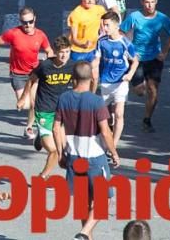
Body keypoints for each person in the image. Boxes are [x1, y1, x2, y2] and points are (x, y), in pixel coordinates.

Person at [53, 61, 120, 240]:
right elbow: (105, 132)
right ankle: (83, 234)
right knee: (103, 201)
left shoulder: (64, 98)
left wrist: (60, 153)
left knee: (83, 202)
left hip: (73, 157)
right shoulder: (97, 101)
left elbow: (56, 128)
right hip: (95, 158)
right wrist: (114, 153)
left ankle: (85, 237)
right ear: (92, 79)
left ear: (73, 78)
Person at [0, 7, 53, 137]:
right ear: (20, 21)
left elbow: (49, 50)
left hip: (33, 73)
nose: (27, 25)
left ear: (35, 19)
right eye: (24, 22)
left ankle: (29, 127)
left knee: (35, 103)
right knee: (25, 105)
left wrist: (49, 60)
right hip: (17, 74)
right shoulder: (13, 33)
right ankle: (30, 115)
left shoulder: (40, 35)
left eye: (30, 21)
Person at [122, 0, 170, 133]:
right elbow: (121, 32)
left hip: (155, 58)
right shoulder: (134, 17)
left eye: (152, 2)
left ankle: (147, 120)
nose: (149, 5)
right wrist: (127, 51)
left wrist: (165, 52)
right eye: (147, 2)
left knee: (153, 91)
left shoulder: (162, 18)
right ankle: (139, 84)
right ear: (142, 2)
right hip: (137, 60)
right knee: (140, 92)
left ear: (156, 2)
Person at [18, 36, 74, 177]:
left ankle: (40, 137)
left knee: (64, 147)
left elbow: (77, 84)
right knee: (54, 150)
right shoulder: (45, 66)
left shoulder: (71, 66)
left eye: (67, 52)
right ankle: (42, 177)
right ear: (55, 51)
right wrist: (22, 98)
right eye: (61, 52)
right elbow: (31, 81)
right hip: (44, 110)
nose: (64, 55)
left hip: (61, 111)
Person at [97, 11, 139, 151]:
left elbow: (135, 61)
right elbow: (97, 60)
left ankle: (113, 145)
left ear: (116, 26)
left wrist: (130, 74)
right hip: (105, 83)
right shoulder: (101, 42)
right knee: (106, 116)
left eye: (107, 25)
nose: (105, 28)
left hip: (120, 83)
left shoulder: (125, 43)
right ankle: (107, 136)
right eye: (103, 25)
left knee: (119, 113)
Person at [66, 0, 105, 88]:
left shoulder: (100, 10)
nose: (90, 0)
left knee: (94, 78)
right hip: (78, 52)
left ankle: (90, 100)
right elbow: (73, 39)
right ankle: (78, 98)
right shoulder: (76, 14)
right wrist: (83, 44)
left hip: (93, 50)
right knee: (78, 80)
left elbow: (103, 26)